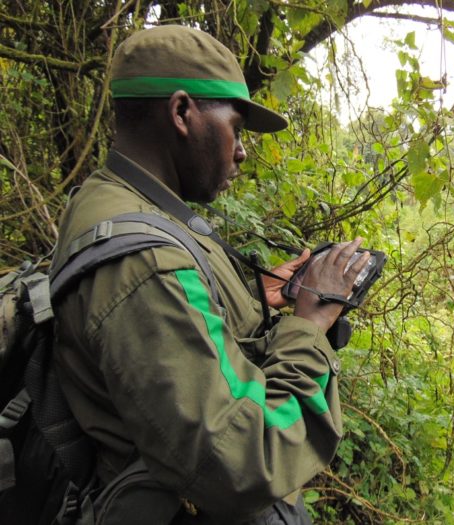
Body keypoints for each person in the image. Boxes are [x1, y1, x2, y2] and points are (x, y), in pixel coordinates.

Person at [51, 24, 369, 524]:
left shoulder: (116, 200)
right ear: (181, 113)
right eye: (236, 129)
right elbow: (244, 459)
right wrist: (311, 324)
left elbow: (188, 332)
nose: (241, 151)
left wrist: (262, 299)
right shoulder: (142, 263)